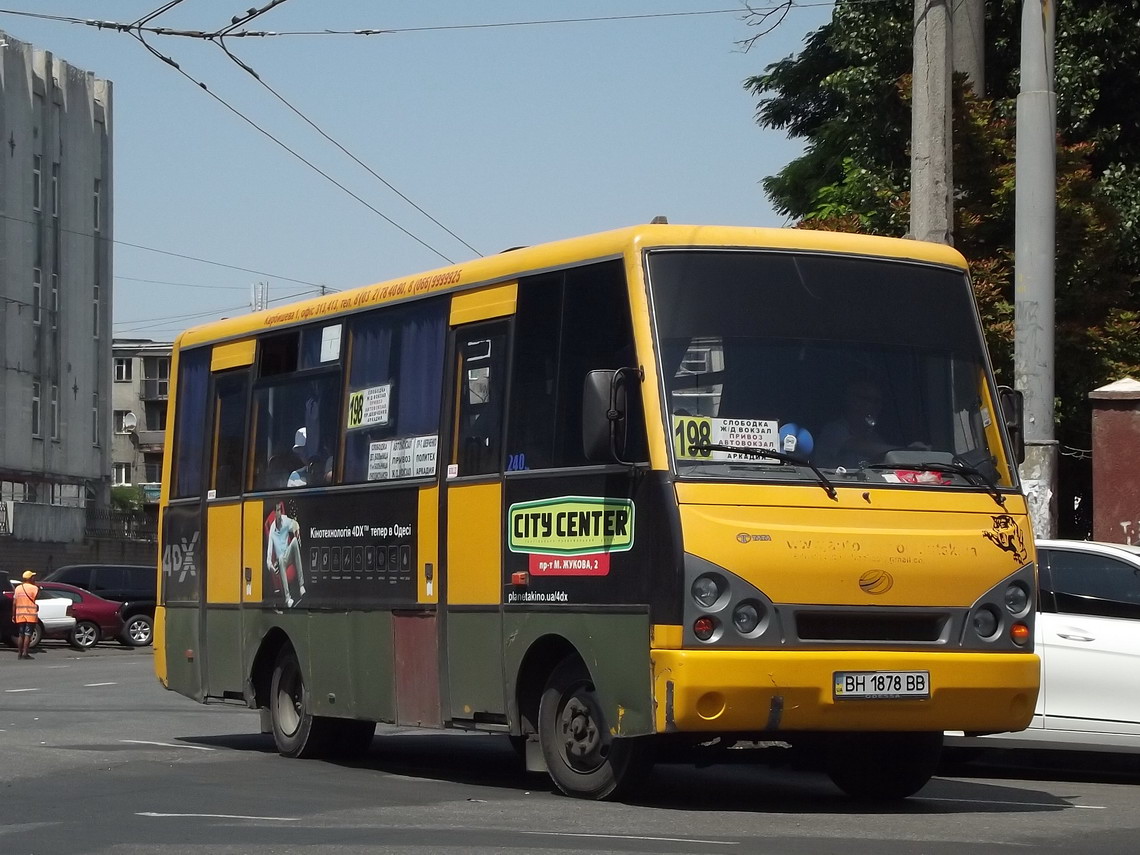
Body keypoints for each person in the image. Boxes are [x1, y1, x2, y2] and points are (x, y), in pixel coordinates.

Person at [814, 378, 892, 469]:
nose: (874, 406)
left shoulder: (875, 438)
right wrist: (906, 452)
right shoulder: (833, 431)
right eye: (867, 399)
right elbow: (861, 448)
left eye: (877, 402)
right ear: (851, 401)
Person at [265, 501, 307, 607]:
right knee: (279, 559)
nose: (279, 513)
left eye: (280, 510)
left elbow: (295, 524)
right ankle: (288, 598)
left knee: (294, 542)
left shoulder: (285, 520)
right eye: (277, 511)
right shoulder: (272, 531)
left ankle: (301, 585)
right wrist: (272, 568)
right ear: (274, 513)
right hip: (281, 561)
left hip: (288, 553)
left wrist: (297, 533)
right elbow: (268, 559)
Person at [13, 570, 40, 660]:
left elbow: (14, 603)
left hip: (20, 615)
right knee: (28, 634)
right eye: (33, 577)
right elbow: (35, 599)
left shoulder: (17, 588)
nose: (34, 578)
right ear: (30, 578)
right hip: (30, 615)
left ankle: (19, 653)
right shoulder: (34, 588)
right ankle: (25, 653)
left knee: (21, 634)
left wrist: (13, 615)